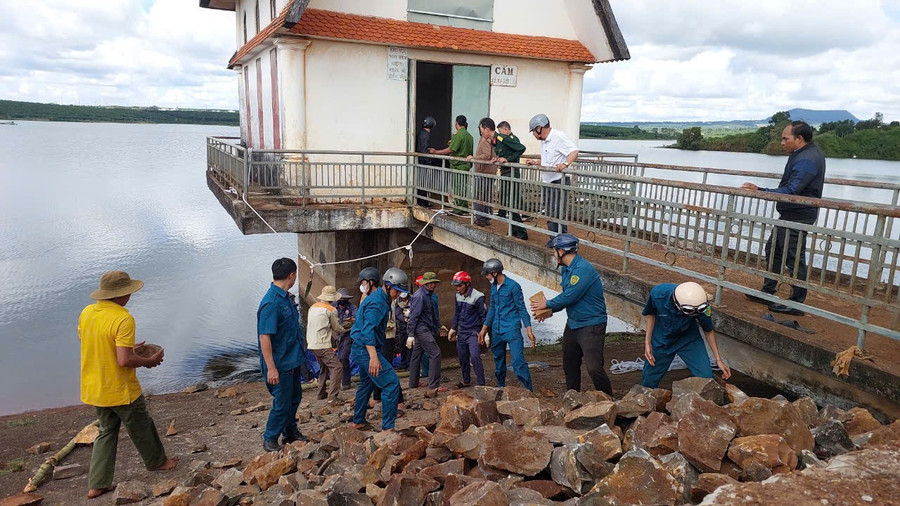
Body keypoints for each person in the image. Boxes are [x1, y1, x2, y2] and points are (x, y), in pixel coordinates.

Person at [79, 271, 177, 499]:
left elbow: (93, 341)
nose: (130, 295)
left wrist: (126, 345)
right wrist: (148, 361)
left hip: (95, 387)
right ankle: (158, 462)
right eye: (128, 292)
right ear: (121, 294)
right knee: (141, 425)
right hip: (120, 388)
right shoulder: (123, 318)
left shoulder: (87, 312)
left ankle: (97, 483)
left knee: (106, 432)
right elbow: (124, 361)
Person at [741, 121, 826, 316]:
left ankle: (797, 303)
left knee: (794, 257)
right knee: (774, 249)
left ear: (799, 139)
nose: (782, 142)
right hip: (791, 213)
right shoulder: (803, 154)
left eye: (785, 138)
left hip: (799, 214)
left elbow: (792, 189)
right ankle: (768, 290)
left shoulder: (807, 159)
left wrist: (761, 191)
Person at [531, 234, 612, 394]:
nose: (554, 255)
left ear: (562, 251)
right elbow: (568, 299)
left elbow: (570, 296)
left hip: (591, 324)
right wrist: (548, 312)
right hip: (574, 323)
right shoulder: (567, 270)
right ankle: (572, 400)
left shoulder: (582, 270)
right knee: (569, 364)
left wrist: (547, 304)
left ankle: (608, 401)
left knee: (594, 367)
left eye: (554, 251)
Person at [257, 257, 309, 452]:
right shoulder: (271, 303)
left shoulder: (285, 298)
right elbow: (265, 338)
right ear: (292, 275)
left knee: (294, 397)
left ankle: (290, 432)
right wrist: (271, 368)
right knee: (282, 402)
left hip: (292, 359)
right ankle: (270, 438)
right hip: (279, 363)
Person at [641, 282, 732, 388]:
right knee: (648, 381)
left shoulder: (701, 303)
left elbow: (708, 330)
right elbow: (651, 314)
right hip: (662, 339)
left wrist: (718, 360)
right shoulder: (658, 294)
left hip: (688, 339)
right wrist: (647, 343)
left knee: (706, 378)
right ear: (676, 303)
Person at [350, 267, 408, 431]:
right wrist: (374, 357)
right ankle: (388, 428)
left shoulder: (380, 298)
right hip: (365, 349)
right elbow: (368, 331)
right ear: (388, 285)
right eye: (397, 290)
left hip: (361, 347)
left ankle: (358, 420)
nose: (398, 294)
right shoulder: (377, 303)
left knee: (366, 383)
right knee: (391, 383)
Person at [478, 259, 536, 390]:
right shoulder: (493, 287)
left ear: (494, 273)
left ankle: (528, 390)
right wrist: (484, 329)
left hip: (511, 329)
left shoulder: (513, 286)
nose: (486, 277)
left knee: (518, 361)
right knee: (498, 362)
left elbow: (521, 308)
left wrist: (528, 329)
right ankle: (500, 387)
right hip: (497, 330)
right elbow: (492, 309)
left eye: (487, 274)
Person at [525, 114, 579, 234]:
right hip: (548, 181)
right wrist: (536, 162)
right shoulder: (544, 141)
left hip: (558, 180)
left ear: (539, 128)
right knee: (549, 213)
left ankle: (561, 241)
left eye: (533, 131)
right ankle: (554, 238)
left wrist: (565, 164)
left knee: (558, 213)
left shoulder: (558, 136)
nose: (533, 134)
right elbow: (548, 160)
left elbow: (574, 151)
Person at [306, 285, 345, 404]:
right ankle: (332, 397)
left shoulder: (313, 307)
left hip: (312, 343)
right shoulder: (331, 310)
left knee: (323, 367)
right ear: (332, 298)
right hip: (322, 344)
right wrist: (345, 329)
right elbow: (336, 328)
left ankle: (321, 393)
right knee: (337, 368)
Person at [407, 271, 445, 392]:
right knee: (435, 353)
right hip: (421, 329)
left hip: (424, 327)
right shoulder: (420, 296)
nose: (433, 285)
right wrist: (411, 334)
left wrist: (440, 325)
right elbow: (414, 317)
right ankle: (434, 384)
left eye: (434, 283)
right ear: (425, 284)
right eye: (431, 283)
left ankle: (413, 382)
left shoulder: (427, 294)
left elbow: (432, 314)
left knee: (416, 355)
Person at [449, 271, 487, 387]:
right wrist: (453, 328)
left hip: (473, 332)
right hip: (462, 331)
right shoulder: (458, 296)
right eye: (456, 286)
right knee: (462, 357)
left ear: (467, 284)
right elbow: (457, 313)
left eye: (460, 286)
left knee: (475, 356)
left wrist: (485, 333)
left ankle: (481, 383)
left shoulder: (478, 296)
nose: (457, 288)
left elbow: (484, 316)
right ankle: (466, 380)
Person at [430, 115, 474, 214]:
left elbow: (451, 149)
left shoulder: (459, 135)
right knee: (463, 187)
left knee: (458, 187)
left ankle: (458, 209)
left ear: (456, 123)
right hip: (466, 165)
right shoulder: (469, 136)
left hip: (458, 165)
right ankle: (463, 206)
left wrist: (436, 152)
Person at [494, 120, 528, 239]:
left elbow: (519, 150)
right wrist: (498, 159)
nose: (500, 135)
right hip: (505, 172)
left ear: (506, 130)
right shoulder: (503, 140)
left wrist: (507, 159)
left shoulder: (513, 139)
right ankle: (513, 229)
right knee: (508, 203)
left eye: (501, 132)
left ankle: (522, 232)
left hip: (512, 173)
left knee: (513, 204)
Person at [468, 117, 498, 227]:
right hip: (488, 172)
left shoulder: (485, 141)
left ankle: (481, 218)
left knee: (480, 195)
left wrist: (474, 158)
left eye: (481, 129)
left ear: (485, 129)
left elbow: (486, 155)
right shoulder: (491, 140)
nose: (480, 131)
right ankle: (485, 217)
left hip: (484, 172)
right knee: (486, 195)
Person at [333, 287, 358, 390]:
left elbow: (356, 318)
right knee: (339, 358)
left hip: (348, 334)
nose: (342, 300)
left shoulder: (352, 307)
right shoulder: (333, 307)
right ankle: (342, 380)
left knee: (344, 356)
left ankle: (346, 382)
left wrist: (349, 321)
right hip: (338, 335)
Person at [415, 116, 441, 206]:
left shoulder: (420, 133)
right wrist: (430, 160)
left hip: (420, 161)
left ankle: (421, 201)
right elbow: (425, 149)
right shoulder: (426, 135)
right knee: (424, 183)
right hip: (424, 161)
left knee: (421, 182)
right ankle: (423, 202)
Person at [395, 292, 412, 370]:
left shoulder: (412, 299)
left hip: (410, 326)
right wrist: (405, 319)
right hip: (402, 327)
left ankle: (409, 364)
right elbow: (398, 314)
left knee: (410, 346)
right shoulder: (397, 301)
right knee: (402, 345)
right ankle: (403, 363)